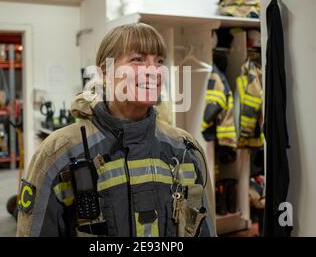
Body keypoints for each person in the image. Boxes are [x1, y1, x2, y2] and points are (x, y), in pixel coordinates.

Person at [16, 23, 216, 237]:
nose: (154, 71)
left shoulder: (185, 149)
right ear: (105, 71)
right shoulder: (59, 152)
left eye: (159, 61)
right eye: (138, 59)